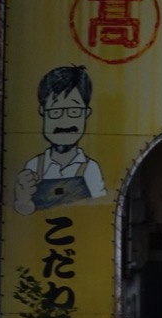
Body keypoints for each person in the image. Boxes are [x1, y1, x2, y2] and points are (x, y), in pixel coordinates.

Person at [13, 65, 107, 214]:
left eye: (74, 111)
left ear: (86, 113)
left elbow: (99, 210)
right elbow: (25, 212)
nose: (65, 120)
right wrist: (22, 198)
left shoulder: (90, 168)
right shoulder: (34, 166)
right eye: (56, 111)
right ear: (43, 112)